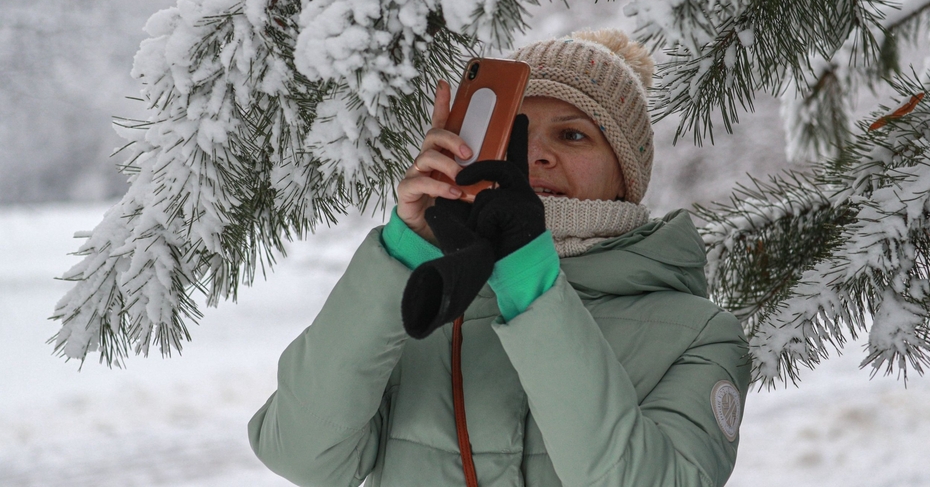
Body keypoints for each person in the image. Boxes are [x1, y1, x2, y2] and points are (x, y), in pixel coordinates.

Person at [248, 29, 751, 487]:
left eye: (572, 134)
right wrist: (407, 251)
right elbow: (301, 455)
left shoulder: (700, 335)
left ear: (626, 175)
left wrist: (529, 279)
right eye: (516, 133)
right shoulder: (424, 306)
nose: (535, 154)